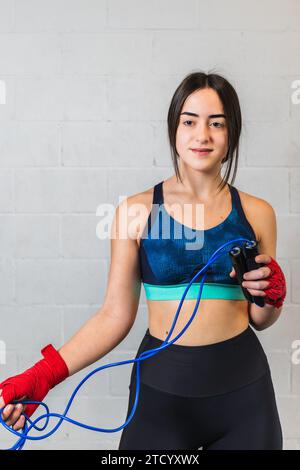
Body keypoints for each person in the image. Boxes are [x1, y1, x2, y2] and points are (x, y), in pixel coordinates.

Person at [0, 71, 286, 450]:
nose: (202, 135)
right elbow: (114, 316)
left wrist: (272, 296)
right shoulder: (136, 212)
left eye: (216, 124)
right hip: (160, 401)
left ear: (231, 133)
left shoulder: (257, 212)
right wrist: (42, 377)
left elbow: (260, 319)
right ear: (174, 128)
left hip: (244, 401)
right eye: (190, 122)